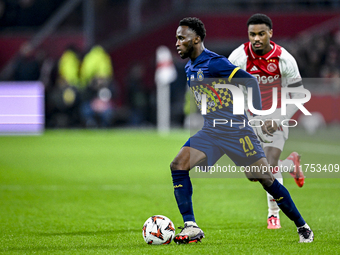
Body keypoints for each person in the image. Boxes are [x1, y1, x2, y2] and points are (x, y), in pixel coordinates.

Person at [171, 17, 313, 244]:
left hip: (237, 132)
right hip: (212, 132)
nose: (177, 43)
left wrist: (256, 116)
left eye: (181, 38)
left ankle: (302, 226)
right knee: (178, 165)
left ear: (196, 39)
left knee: (264, 178)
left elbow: (250, 82)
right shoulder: (190, 67)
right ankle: (191, 226)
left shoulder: (215, 63)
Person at [228, 13, 306, 229]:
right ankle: (291, 164)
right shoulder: (238, 57)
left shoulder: (284, 59)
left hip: (276, 117)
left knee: (269, 167)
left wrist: (279, 118)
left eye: (261, 34)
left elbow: (299, 95)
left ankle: (274, 215)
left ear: (270, 33)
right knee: (253, 174)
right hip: (250, 119)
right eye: (252, 34)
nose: (256, 38)